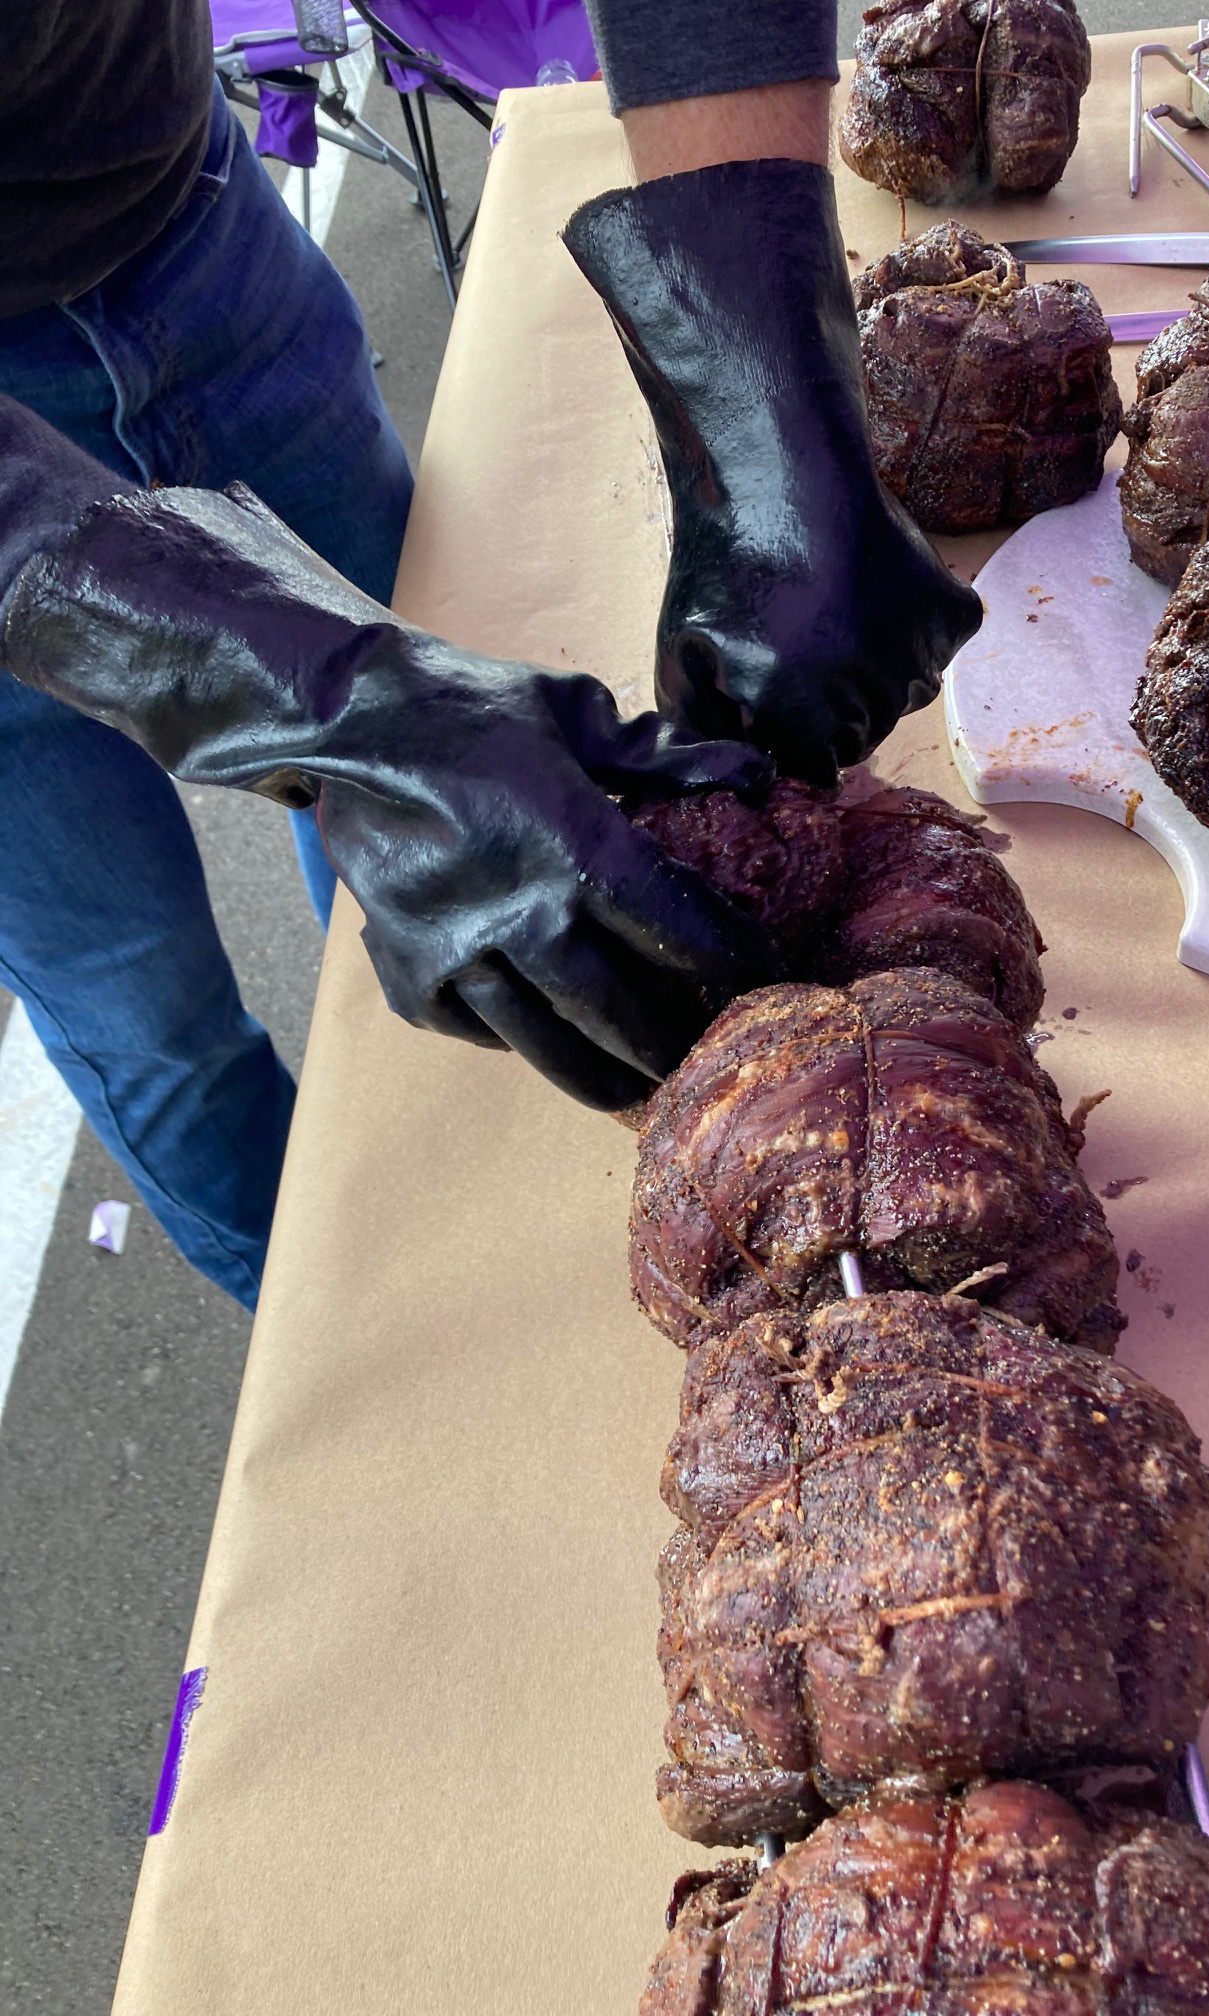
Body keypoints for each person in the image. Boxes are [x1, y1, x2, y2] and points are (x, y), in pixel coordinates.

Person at [0, 0, 981, 1306]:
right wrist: (339, 705)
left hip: (186, 226)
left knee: (444, 796)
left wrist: (759, 372)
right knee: (144, 1011)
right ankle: (326, 1356)